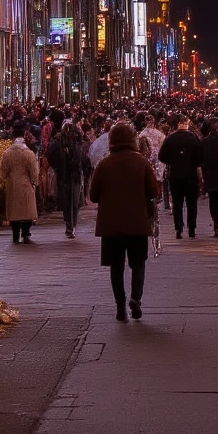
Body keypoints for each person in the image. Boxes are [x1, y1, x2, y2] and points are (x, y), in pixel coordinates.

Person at [88, 118, 158, 323]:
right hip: (137, 221)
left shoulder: (104, 163)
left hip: (111, 224)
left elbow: (93, 196)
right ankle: (136, 299)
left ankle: (120, 305)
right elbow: (153, 191)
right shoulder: (141, 162)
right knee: (138, 264)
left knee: (116, 266)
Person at [160, 118, 201, 241]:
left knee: (177, 203)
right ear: (187, 125)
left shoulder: (170, 138)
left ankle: (178, 228)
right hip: (191, 175)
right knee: (192, 203)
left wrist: (172, 161)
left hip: (175, 175)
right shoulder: (194, 138)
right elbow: (200, 156)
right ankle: (192, 229)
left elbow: (161, 156)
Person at [47, 115, 85, 239]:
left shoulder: (59, 141)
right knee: (72, 202)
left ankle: (70, 224)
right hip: (71, 175)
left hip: (66, 175)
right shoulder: (76, 141)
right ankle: (71, 224)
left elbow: (51, 156)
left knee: (68, 201)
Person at [0, 126, 39, 245]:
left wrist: (7, 178)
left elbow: (3, 171)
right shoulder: (28, 153)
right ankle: (26, 234)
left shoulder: (7, 153)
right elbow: (34, 171)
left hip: (12, 184)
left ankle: (15, 235)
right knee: (26, 210)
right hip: (26, 184)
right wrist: (35, 181)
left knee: (14, 211)